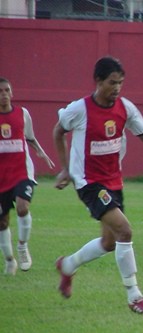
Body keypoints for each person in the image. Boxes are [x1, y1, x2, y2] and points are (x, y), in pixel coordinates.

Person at [53, 56, 143, 314]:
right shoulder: (80, 109)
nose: (117, 88)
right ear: (98, 81)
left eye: (121, 83)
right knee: (125, 231)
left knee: (110, 242)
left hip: (114, 181)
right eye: (112, 83)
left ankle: (68, 266)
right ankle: (134, 296)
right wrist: (65, 169)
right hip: (89, 183)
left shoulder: (126, 108)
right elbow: (58, 130)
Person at [0, 77, 55, 275]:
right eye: (1, 91)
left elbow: (30, 137)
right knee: (2, 221)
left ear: (12, 93)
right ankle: (9, 260)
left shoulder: (23, 114)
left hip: (22, 172)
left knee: (23, 208)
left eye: (7, 90)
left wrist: (42, 153)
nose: (4, 94)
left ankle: (22, 247)